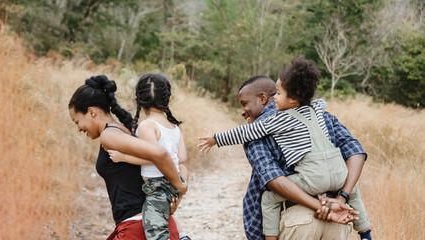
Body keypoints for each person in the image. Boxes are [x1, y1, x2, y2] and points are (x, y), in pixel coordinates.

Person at [198, 71, 370, 239]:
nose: (243, 111)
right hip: (337, 218)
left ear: (263, 98)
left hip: (297, 221)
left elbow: (273, 180)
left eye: (244, 104)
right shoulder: (320, 114)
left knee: (268, 199)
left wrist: (215, 139)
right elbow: (356, 150)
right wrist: (341, 197)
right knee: (353, 192)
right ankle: (366, 233)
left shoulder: (259, 129)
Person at [68, 75, 188, 240]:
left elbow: (160, 154)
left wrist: (180, 187)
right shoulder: (126, 129)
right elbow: (177, 162)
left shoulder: (109, 135)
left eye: (77, 122)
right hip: (153, 222)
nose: (78, 128)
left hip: (138, 228)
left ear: (91, 112)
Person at [107, 73, 189, 240]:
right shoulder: (173, 126)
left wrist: (123, 157)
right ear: (168, 98)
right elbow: (181, 158)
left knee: (155, 230)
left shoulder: (147, 126)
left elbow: (153, 157)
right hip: (172, 181)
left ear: (139, 100)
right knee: (164, 220)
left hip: (157, 185)